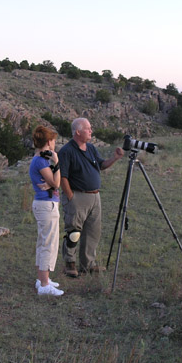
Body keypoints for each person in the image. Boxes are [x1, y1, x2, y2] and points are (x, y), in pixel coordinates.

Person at [58, 118, 124, 277]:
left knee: (92, 232)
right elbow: (62, 177)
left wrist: (114, 158)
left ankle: (88, 264)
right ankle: (70, 265)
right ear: (78, 132)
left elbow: (101, 165)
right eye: (88, 128)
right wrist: (71, 197)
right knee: (73, 232)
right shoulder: (67, 151)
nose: (91, 131)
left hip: (95, 197)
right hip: (77, 196)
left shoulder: (92, 148)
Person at [29, 125, 64, 296]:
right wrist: (56, 162)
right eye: (54, 140)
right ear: (49, 141)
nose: (55, 143)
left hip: (45, 203)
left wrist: (51, 181)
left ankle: (43, 279)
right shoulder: (42, 161)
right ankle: (44, 284)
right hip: (46, 205)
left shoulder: (40, 159)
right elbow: (56, 183)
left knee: (44, 242)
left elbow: (52, 182)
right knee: (48, 244)